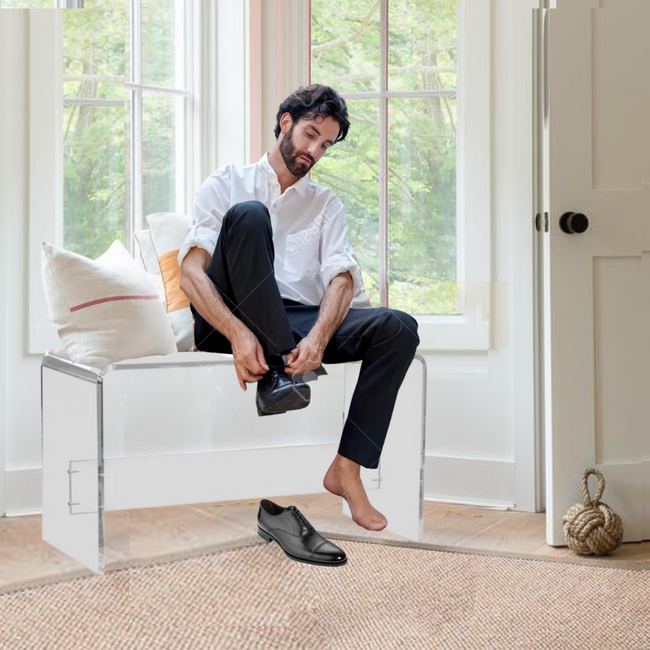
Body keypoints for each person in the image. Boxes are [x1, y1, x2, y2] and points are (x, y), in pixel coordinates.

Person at [178, 84, 420, 531]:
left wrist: (318, 338)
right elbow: (191, 273)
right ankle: (277, 373)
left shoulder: (326, 204)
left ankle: (347, 469)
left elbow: (342, 279)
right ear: (286, 122)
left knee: (399, 327)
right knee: (249, 214)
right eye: (310, 134)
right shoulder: (227, 182)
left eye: (325, 144)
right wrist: (238, 332)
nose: (315, 150)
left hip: (294, 325)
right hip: (226, 320)